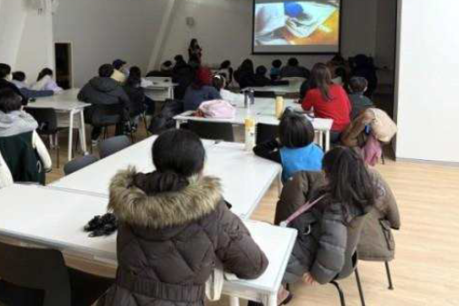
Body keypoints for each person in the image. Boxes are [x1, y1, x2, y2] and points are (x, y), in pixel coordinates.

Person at [102, 129, 269, 306]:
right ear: (200, 167)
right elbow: (254, 266)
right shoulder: (209, 209)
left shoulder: (128, 199)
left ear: (156, 160)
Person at [271, 147, 376, 304]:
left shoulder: (336, 210)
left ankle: (274, 294)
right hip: (308, 242)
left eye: (326, 171)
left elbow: (333, 249)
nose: (323, 174)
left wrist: (318, 274)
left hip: (304, 254)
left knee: (264, 266)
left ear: (335, 175)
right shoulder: (355, 196)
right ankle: (279, 293)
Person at [0, 89, 51, 170]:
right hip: (3, 164)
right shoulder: (19, 123)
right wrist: (21, 111)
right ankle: (47, 165)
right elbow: (34, 124)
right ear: (16, 104)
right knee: (33, 135)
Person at [253, 111, 324, 183]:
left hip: (294, 189)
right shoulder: (318, 149)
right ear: (310, 131)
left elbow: (258, 149)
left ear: (282, 136)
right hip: (320, 187)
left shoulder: (281, 155)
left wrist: (276, 141)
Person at [78, 64, 131, 142]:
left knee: (98, 109)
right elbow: (126, 101)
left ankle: (94, 137)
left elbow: (80, 97)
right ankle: (118, 140)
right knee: (122, 112)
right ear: (112, 73)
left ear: (99, 72)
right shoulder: (117, 86)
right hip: (113, 117)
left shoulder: (89, 84)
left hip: (91, 117)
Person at [301, 63, 352, 142]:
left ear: (312, 77)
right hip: (346, 130)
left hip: (329, 131)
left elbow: (305, 108)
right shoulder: (339, 88)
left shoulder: (312, 92)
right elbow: (349, 108)